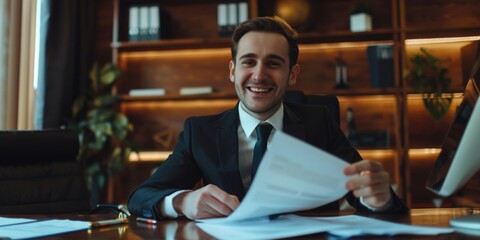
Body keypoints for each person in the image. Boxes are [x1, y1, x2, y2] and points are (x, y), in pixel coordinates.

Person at [128, 16, 408, 220]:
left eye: (273, 63)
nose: (259, 75)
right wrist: (183, 202)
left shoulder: (319, 123)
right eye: (248, 62)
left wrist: (379, 200)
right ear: (232, 71)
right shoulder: (199, 132)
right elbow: (141, 198)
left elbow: (366, 194)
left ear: (293, 74)